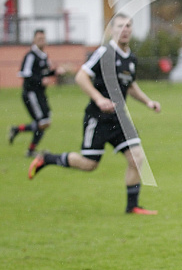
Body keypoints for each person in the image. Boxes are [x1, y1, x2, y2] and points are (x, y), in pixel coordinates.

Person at [28, 13, 161, 215]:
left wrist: (148, 102)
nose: (124, 30)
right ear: (112, 30)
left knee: (137, 158)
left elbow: (130, 84)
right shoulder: (104, 52)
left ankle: (132, 206)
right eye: (120, 26)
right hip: (97, 118)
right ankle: (47, 159)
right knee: (89, 164)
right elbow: (81, 76)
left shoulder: (130, 58)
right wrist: (99, 99)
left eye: (128, 26)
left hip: (119, 118)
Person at [9, 29, 63, 156]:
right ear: (34, 40)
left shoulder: (43, 56)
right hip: (31, 93)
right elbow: (25, 74)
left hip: (40, 94)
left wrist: (55, 72)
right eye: (39, 39)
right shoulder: (31, 55)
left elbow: (43, 73)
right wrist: (40, 80)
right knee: (43, 122)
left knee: (45, 121)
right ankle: (30, 151)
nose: (42, 41)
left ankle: (17, 130)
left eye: (43, 39)